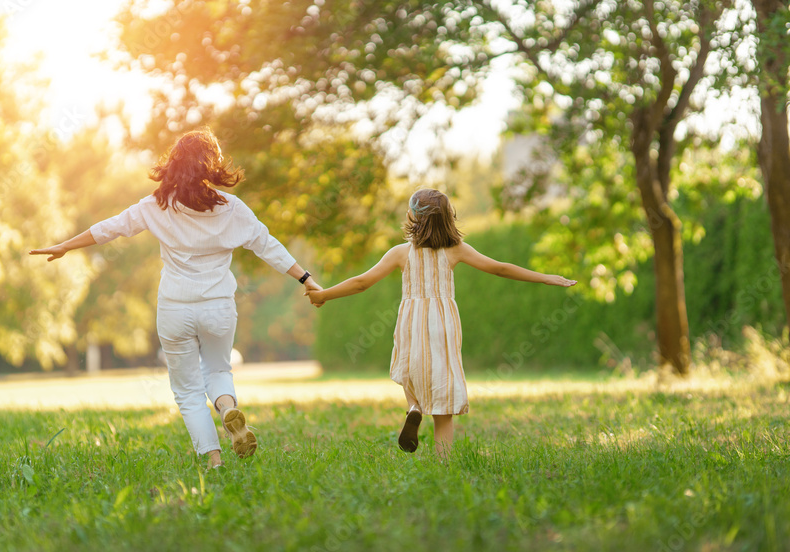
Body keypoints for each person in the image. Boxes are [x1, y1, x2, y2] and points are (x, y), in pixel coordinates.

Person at [30, 128, 321, 468]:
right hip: (218, 307)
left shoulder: (157, 205)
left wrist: (66, 245)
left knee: (187, 391)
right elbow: (267, 245)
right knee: (218, 369)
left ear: (174, 164)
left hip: (174, 309)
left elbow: (112, 227)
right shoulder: (232, 208)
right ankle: (228, 409)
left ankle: (214, 460)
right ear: (212, 166)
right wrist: (306, 277)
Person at [305, 189, 575, 457]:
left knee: (411, 370)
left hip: (412, 320)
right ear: (447, 219)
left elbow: (362, 283)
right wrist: (545, 277)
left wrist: (324, 294)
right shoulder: (455, 250)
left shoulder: (401, 253)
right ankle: (443, 463)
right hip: (443, 323)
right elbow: (499, 267)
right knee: (443, 387)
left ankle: (413, 407)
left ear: (413, 216)